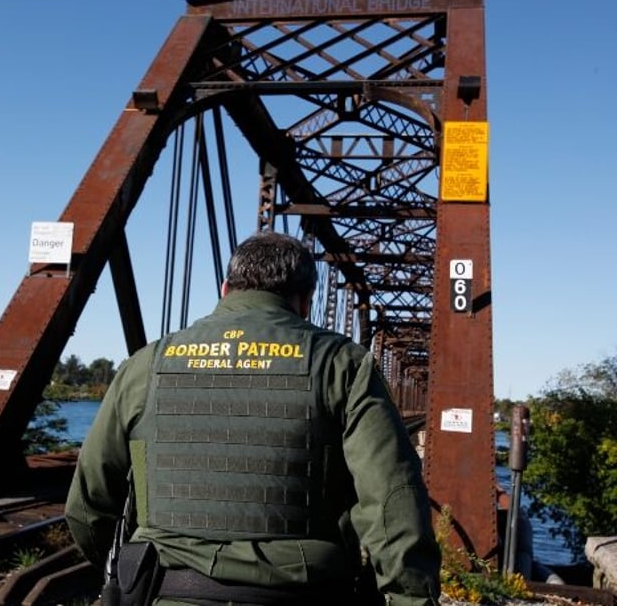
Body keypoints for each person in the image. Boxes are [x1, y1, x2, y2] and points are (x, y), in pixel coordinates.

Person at [65, 231, 441, 606]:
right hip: (302, 593)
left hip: (163, 590)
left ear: (225, 288)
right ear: (307, 300)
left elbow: (88, 505)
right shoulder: (342, 364)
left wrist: (131, 571)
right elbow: (391, 500)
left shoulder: (147, 363)